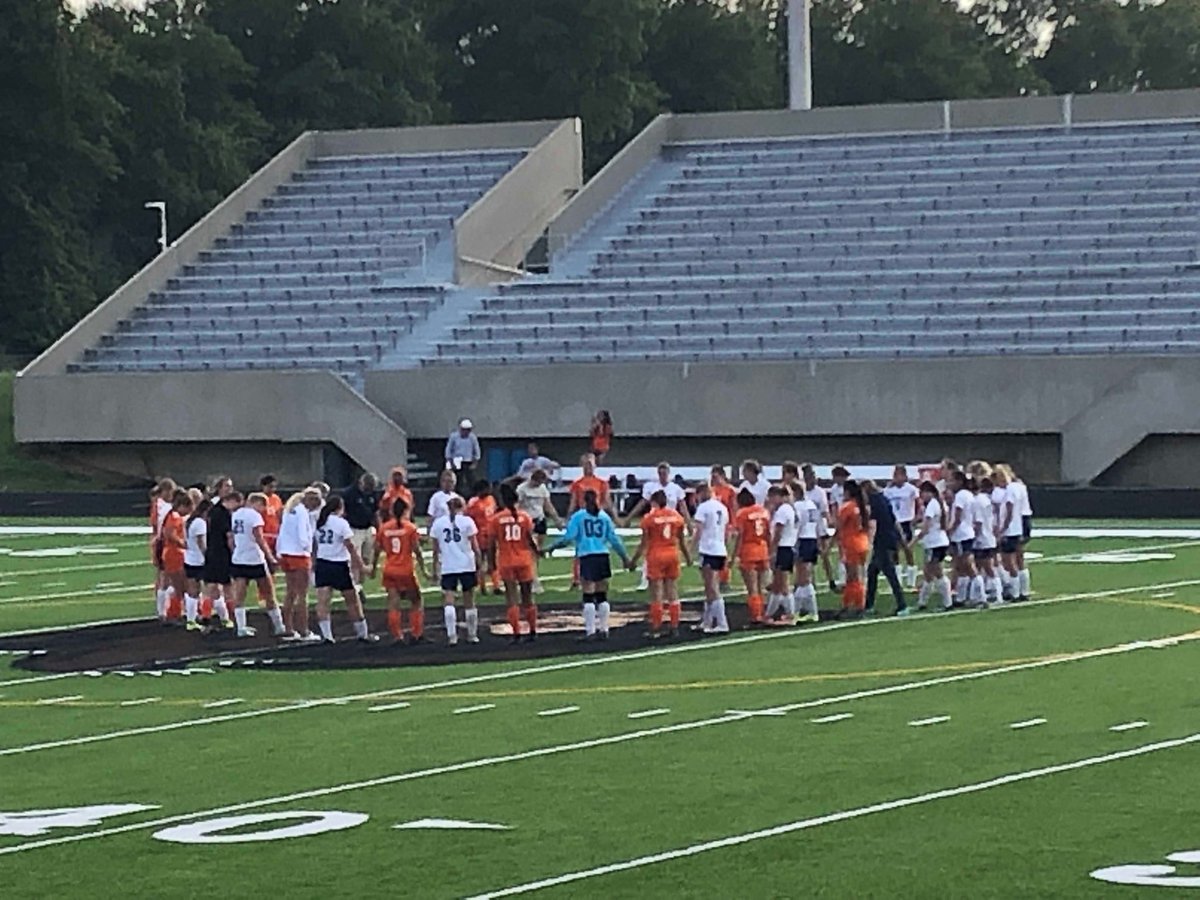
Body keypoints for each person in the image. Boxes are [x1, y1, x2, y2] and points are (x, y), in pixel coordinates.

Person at [545, 489, 632, 642]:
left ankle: (590, 631)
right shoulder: (604, 517)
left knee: (588, 595)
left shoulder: (579, 517)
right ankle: (604, 629)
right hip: (602, 555)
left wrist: (552, 547)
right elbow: (614, 539)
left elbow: (568, 537)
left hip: (587, 556)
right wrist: (625, 557)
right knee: (602, 595)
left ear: (583, 500)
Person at [313, 496, 375, 644]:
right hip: (339, 564)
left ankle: (327, 636)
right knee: (353, 601)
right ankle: (363, 634)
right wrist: (362, 566)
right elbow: (350, 547)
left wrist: (314, 562)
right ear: (340, 508)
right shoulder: (341, 523)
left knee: (323, 602)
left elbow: (314, 545)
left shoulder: (319, 521)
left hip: (322, 564)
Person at [629, 489, 690, 639]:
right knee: (672, 591)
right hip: (672, 554)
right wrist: (688, 557)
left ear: (654, 502)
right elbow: (682, 541)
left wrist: (633, 560)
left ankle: (656, 627)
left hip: (656, 555)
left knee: (656, 593)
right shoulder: (676, 516)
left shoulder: (649, 518)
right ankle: (675, 625)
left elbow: (644, 543)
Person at [621, 462, 690, 591]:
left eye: (664, 473)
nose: (662, 476)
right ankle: (646, 579)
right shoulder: (651, 487)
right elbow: (642, 503)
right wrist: (629, 517)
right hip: (655, 522)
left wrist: (688, 523)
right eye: (660, 473)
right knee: (651, 550)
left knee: (665, 550)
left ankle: (666, 579)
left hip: (670, 522)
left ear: (669, 473)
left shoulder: (675, 489)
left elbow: (683, 507)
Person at [490, 483, 541, 643]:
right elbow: (530, 539)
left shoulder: (496, 519)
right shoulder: (525, 517)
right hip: (524, 559)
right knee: (528, 596)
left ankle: (517, 633)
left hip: (506, 560)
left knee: (511, 597)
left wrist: (491, 564)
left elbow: (492, 544)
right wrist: (537, 552)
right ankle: (532, 630)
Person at [229, 492, 284, 638]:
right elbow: (259, 538)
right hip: (254, 559)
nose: (263, 509)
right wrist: (270, 557)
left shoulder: (236, 514)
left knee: (239, 595)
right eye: (262, 506)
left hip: (239, 558)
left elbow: (232, 538)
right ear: (255, 503)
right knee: (269, 594)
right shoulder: (254, 516)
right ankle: (279, 626)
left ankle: (241, 627)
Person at [373, 498, 428, 644]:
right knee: (416, 601)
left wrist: (372, 568)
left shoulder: (384, 528)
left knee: (393, 603)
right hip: (406, 569)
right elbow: (417, 551)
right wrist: (424, 570)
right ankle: (416, 633)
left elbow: (377, 551)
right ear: (406, 510)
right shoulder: (410, 528)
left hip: (390, 569)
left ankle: (397, 635)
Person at [431, 495, 483, 646]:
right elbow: (475, 546)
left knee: (449, 600)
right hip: (466, 564)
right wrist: (480, 564)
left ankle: (452, 636)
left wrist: (435, 569)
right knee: (469, 600)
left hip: (448, 566)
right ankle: (472, 635)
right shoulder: (467, 521)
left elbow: (435, 550)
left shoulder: (438, 523)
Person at [277, 488, 323, 642]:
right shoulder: (302, 512)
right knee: (303, 595)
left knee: (291, 593)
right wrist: (309, 551)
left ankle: (289, 628)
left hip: (286, 553)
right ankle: (304, 630)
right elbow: (304, 536)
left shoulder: (290, 510)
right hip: (299, 555)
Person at [863, 480, 908, 617]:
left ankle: (902, 605)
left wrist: (869, 543)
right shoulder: (884, 499)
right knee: (873, 572)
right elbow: (894, 520)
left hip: (882, 541)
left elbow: (873, 524)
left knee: (890, 573)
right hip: (889, 539)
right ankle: (869, 604)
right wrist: (901, 538)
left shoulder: (875, 503)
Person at [568, 453, 612, 589]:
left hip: (597, 517)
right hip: (583, 517)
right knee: (580, 548)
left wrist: (605, 514)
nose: (589, 468)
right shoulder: (577, 484)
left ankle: (598, 578)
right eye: (586, 465)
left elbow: (607, 501)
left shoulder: (601, 483)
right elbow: (573, 502)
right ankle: (577, 577)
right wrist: (568, 517)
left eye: (591, 465)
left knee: (597, 547)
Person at [692, 483, 731, 634]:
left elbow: (699, 531)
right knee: (709, 588)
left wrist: (691, 548)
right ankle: (707, 621)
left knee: (712, 587)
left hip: (708, 549)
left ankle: (722, 622)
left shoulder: (703, 508)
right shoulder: (722, 507)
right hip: (720, 548)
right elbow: (726, 531)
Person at [517, 468, 562, 592]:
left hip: (540, 520)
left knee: (537, 552)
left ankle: (534, 575)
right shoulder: (522, 489)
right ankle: (532, 579)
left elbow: (547, 504)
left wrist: (557, 519)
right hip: (528, 520)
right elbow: (517, 506)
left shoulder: (542, 489)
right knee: (531, 550)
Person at [730, 489, 771, 624]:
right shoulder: (763, 511)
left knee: (752, 587)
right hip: (762, 548)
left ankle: (756, 615)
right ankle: (763, 611)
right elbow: (768, 533)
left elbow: (740, 535)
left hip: (749, 550)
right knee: (761, 587)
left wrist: (734, 555)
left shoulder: (742, 514)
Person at [341, 472, 381, 607]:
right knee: (355, 561)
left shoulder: (373, 494)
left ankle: (359, 586)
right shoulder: (349, 493)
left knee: (366, 560)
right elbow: (343, 512)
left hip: (368, 528)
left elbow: (376, 512)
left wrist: (379, 529)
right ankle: (355, 588)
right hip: (354, 528)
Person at [994, 464, 1032, 602]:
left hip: (1012, 528)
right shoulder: (1020, 486)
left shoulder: (1010, 489)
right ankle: (1024, 590)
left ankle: (1015, 593)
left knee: (1009, 561)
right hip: (1021, 523)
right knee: (1019, 558)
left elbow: (1009, 509)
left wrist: (1002, 527)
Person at [836, 479, 872, 619]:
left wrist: (831, 544)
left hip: (851, 544)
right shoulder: (862, 506)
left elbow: (839, 526)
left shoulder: (847, 507)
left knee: (853, 577)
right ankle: (849, 605)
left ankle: (857, 606)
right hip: (862, 542)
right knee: (856, 576)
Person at [202, 480, 235, 630]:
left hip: (212, 549)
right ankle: (231, 617)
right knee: (226, 585)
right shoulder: (220, 510)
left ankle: (209, 616)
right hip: (220, 551)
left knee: (212, 585)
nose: (230, 489)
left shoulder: (212, 508)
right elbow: (228, 534)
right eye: (227, 486)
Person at [915, 481, 952, 612]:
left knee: (937, 572)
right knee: (928, 572)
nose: (921, 496)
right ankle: (922, 602)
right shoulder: (940, 504)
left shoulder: (932, 505)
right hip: (939, 541)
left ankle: (947, 602)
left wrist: (913, 541)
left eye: (922, 493)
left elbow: (926, 526)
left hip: (934, 543)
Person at [801, 463, 837, 594]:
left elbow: (824, 510)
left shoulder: (819, 492)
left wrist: (829, 522)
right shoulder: (802, 492)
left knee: (824, 554)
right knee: (809, 557)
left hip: (819, 527)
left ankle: (831, 580)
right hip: (807, 528)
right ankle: (811, 583)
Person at [883, 465, 921, 589]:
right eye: (895, 475)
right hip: (894, 522)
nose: (897, 477)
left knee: (908, 549)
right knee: (894, 551)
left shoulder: (911, 489)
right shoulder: (888, 491)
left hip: (906, 521)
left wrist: (916, 518)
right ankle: (897, 580)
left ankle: (911, 580)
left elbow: (918, 504)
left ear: (905, 476)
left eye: (900, 475)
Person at [765, 485, 799, 622]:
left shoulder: (783, 511)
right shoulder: (788, 509)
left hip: (783, 548)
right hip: (787, 547)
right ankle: (769, 613)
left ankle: (791, 614)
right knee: (778, 584)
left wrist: (772, 551)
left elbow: (778, 532)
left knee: (783, 584)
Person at [947, 470, 980, 608]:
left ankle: (979, 595)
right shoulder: (968, 495)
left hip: (961, 535)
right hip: (967, 533)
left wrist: (949, 531)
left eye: (952, 481)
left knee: (967, 566)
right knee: (961, 567)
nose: (950, 484)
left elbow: (958, 518)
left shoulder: (961, 496)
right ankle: (961, 596)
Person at [159, 490, 191, 625]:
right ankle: (173, 614)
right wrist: (183, 543)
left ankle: (175, 612)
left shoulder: (171, 515)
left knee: (179, 586)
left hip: (172, 553)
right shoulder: (175, 517)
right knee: (180, 586)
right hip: (174, 553)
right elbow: (169, 534)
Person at [791, 483, 822, 624]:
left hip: (803, 539)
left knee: (802, 578)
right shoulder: (812, 505)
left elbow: (798, 525)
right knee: (805, 576)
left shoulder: (798, 506)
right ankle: (808, 610)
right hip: (812, 539)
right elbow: (818, 523)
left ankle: (799, 611)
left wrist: (794, 542)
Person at [466, 480, 501, 595]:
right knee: (479, 561)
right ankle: (482, 586)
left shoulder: (491, 499)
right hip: (479, 534)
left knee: (493, 560)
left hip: (491, 533)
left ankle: (496, 585)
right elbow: (469, 518)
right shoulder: (473, 503)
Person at [973, 475, 1003, 605]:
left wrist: (975, 536)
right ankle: (981, 595)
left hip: (982, 539)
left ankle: (996, 595)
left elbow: (978, 522)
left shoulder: (978, 501)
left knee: (987, 568)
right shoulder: (986, 500)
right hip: (989, 536)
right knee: (981, 567)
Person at [183, 497, 210, 631]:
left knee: (192, 590)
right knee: (207, 589)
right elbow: (201, 542)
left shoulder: (190, 521)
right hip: (199, 560)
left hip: (189, 558)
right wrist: (208, 556)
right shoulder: (200, 523)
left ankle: (191, 619)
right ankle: (198, 617)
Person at [445, 418, 482, 493]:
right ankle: (456, 492)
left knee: (471, 479)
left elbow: (476, 449)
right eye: (464, 430)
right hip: (456, 460)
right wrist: (449, 460)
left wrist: (475, 462)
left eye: (468, 430)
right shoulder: (454, 436)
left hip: (468, 461)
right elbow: (449, 449)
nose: (466, 432)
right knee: (457, 479)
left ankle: (474, 493)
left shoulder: (472, 438)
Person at [259, 474, 284, 557]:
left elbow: (279, 514)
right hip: (263, 533)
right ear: (263, 486)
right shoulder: (258, 499)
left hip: (274, 534)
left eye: (274, 487)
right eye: (270, 487)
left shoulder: (276, 499)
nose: (272, 489)